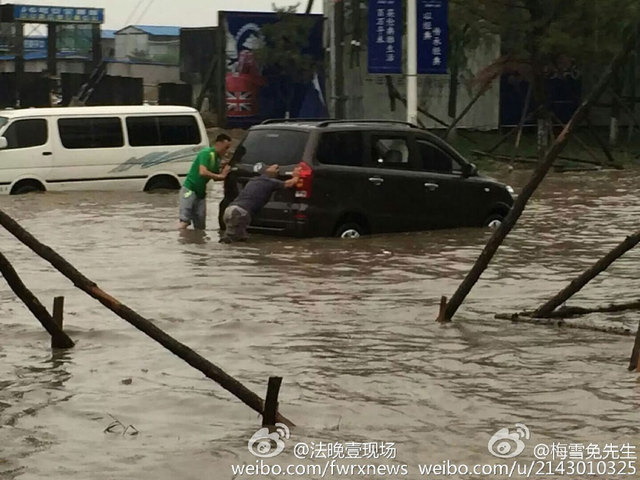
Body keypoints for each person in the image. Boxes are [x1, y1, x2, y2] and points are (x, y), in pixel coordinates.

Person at [220, 164, 300, 243]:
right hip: (239, 213)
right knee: (232, 240)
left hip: (229, 210)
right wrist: (296, 175)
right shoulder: (270, 182)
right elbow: (290, 183)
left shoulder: (254, 180)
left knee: (240, 238)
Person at [178, 134, 232, 230]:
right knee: (185, 221)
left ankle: (198, 243)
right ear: (218, 143)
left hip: (201, 194)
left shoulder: (217, 158)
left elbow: (216, 177)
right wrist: (221, 175)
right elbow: (203, 172)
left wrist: (224, 172)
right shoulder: (206, 153)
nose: (227, 151)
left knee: (201, 226)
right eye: (226, 147)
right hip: (189, 191)